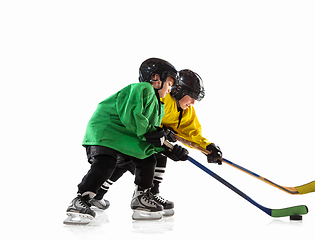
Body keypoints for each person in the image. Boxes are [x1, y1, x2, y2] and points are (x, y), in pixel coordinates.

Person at [64, 58, 188, 224]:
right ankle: (82, 198)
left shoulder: (160, 105)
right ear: (156, 78)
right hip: (107, 131)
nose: (170, 89)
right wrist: (161, 138)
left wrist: (169, 148)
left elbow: (150, 136)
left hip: (125, 137)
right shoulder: (143, 88)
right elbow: (134, 118)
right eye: (169, 83)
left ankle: (141, 196)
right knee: (105, 164)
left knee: (148, 158)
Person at [91, 69, 223, 217]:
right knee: (140, 159)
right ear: (178, 90)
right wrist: (164, 137)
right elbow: (144, 120)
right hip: (130, 135)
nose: (193, 102)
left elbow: (191, 134)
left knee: (127, 163)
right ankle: (145, 194)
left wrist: (208, 148)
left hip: (143, 140)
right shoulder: (162, 99)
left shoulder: (186, 111)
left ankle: (99, 194)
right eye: (191, 97)